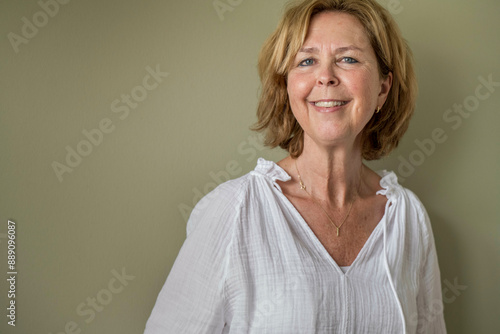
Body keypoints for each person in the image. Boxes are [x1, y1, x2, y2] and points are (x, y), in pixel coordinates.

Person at [144, 0, 447, 333]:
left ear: (382, 88)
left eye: (348, 59)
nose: (326, 77)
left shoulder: (408, 217)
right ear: (287, 86)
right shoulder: (235, 211)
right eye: (307, 61)